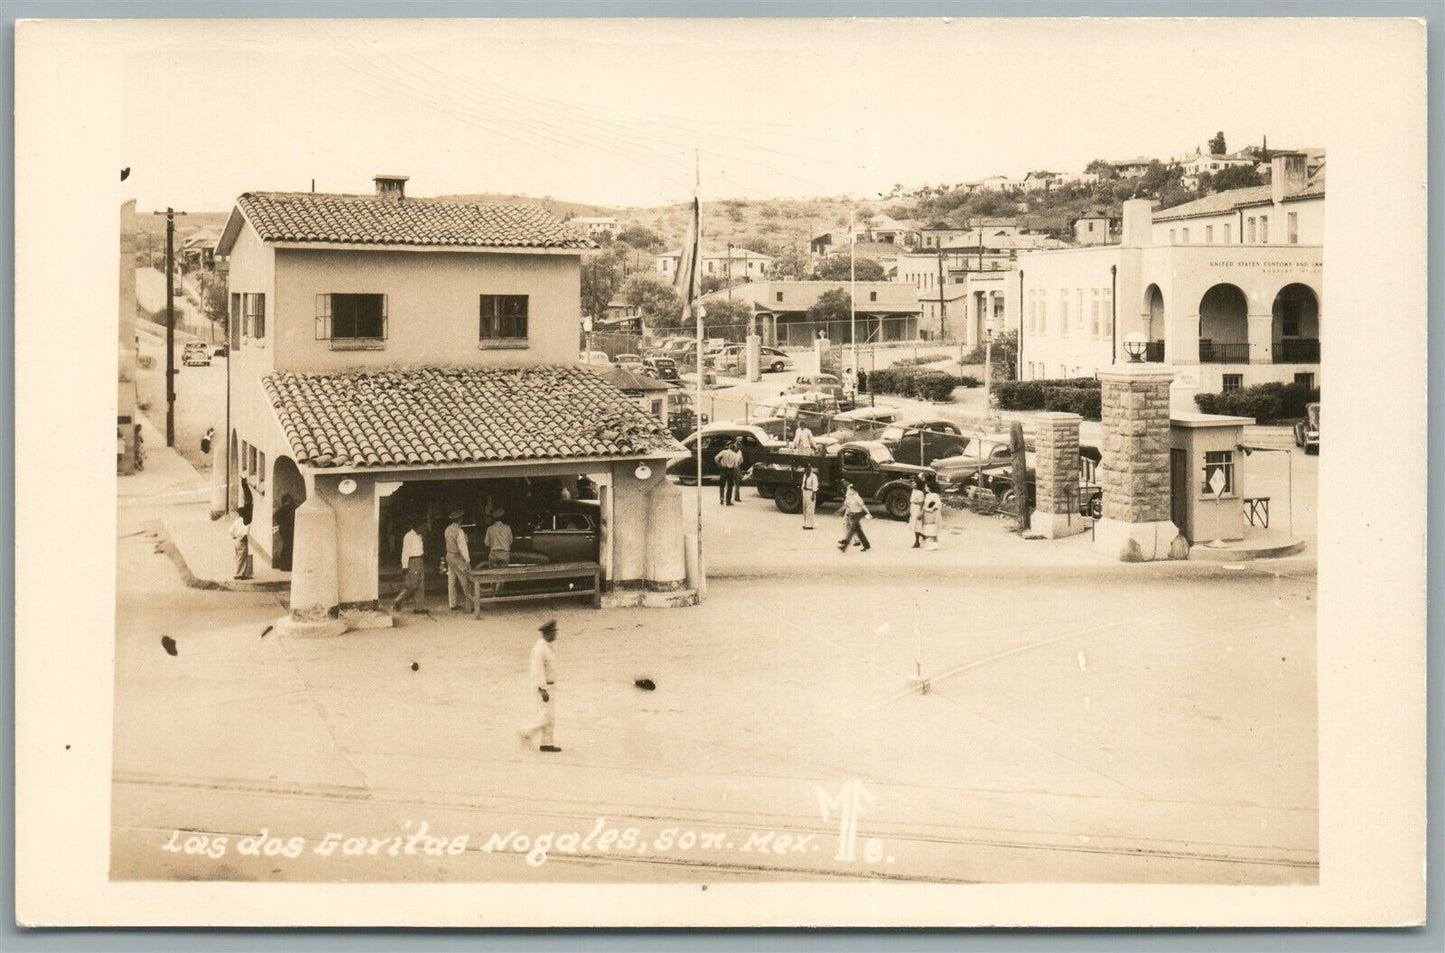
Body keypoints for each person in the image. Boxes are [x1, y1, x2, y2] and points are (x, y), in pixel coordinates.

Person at [519, 619, 561, 753]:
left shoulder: (548, 646)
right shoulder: (539, 649)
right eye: (554, 632)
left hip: (551, 685)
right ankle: (526, 731)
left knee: (550, 716)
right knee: (546, 715)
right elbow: (538, 670)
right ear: (548, 633)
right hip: (545, 687)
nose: (556, 635)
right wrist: (542, 689)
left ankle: (547, 743)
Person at [392, 517, 428, 613]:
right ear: (418, 526)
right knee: (413, 585)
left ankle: (419, 608)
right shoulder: (409, 536)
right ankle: (398, 600)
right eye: (423, 526)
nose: (425, 528)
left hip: (420, 560)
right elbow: (405, 551)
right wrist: (405, 565)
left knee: (420, 585)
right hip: (413, 561)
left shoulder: (419, 536)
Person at [444, 507, 476, 612]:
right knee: (465, 580)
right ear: (460, 519)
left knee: (451, 580)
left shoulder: (447, 529)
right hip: (457, 557)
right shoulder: (459, 531)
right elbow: (463, 547)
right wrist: (467, 560)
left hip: (449, 555)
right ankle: (470, 605)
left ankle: (452, 604)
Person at [837, 481, 873, 553]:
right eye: (850, 490)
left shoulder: (857, 498)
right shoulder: (849, 498)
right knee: (859, 532)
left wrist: (868, 513)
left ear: (855, 491)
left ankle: (844, 547)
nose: (850, 491)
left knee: (851, 530)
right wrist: (839, 511)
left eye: (851, 490)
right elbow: (845, 506)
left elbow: (863, 506)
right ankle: (866, 545)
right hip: (851, 515)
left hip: (857, 515)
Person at [274, 493, 298, 571]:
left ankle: (284, 566)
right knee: (289, 547)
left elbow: (276, 516)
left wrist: (282, 523)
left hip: (284, 530)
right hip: (290, 530)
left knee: (286, 547)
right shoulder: (292, 508)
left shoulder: (283, 509)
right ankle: (288, 566)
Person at [714, 440, 743, 505]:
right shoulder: (735, 455)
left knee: (722, 485)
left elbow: (716, 458)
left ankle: (721, 497)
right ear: (733, 448)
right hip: (731, 471)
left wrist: (719, 465)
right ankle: (728, 501)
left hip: (723, 470)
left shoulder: (723, 452)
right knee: (730, 486)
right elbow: (736, 465)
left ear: (727, 447)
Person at [229, 507, 253, 580]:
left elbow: (230, 531)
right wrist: (243, 536)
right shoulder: (245, 522)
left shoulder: (236, 521)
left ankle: (242, 573)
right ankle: (239, 574)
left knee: (239, 557)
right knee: (242, 557)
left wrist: (234, 536)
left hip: (237, 540)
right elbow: (246, 532)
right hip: (242, 540)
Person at [921, 479, 943, 552]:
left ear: (930, 487)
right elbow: (925, 504)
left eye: (926, 486)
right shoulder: (927, 495)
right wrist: (925, 509)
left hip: (933, 513)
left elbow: (938, 504)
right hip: (927, 512)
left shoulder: (935, 495)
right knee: (928, 527)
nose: (925, 488)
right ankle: (933, 544)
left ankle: (933, 545)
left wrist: (931, 509)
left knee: (932, 527)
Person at [908, 474, 926, 549]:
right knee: (914, 524)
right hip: (913, 508)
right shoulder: (913, 491)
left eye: (914, 483)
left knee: (917, 525)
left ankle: (917, 542)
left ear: (917, 484)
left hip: (917, 509)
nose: (912, 484)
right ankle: (923, 535)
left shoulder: (920, 493)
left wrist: (921, 512)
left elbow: (922, 503)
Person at [801, 464, 819, 530]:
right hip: (805, 491)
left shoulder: (813, 476)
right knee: (805, 508)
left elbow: (815, 485)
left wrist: (813, 495)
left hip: (810, 492)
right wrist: (802, 492)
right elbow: (803, 484)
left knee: (810, 509)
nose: (806, 470)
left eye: (808, 468)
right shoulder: (804, 475)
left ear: (810, 469)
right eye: (805, 469)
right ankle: (806, 523)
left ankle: (810, 525)